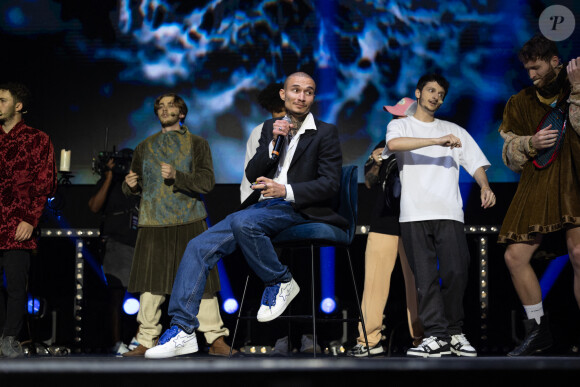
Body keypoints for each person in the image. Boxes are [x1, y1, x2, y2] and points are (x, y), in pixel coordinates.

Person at [145, 71, 345, 359]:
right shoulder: (269, 128)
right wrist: (273, 142)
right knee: (197, 246)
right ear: (283, 94)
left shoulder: (325, 132)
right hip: (264, 209)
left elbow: (330, 184)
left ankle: (279, 280)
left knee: (242, 221)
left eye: (309, 92)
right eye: (296, 90)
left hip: (299, 208)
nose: (301, 97)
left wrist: (284, 190)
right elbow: (253, 173)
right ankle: (183, 329)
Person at [384, 74, 496, 358]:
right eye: (431, 90)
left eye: (441, 93)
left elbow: (476, 161)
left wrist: (484, 186)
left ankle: (455, 333)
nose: (436, 96)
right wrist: (436, 140)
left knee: (456, 271)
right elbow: (394, 146)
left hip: (449, 212)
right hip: (414, 213)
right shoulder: (400, 125)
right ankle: (435, 335)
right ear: (418, 92)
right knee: (425, 278)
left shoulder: (453, 129)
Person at [121, 93, 234, 357]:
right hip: (153, 221)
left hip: (189, 219)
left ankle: (215, 339)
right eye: (160, 106)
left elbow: (207, 182)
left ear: (181, 113)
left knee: (200, 281)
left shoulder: (197, 144)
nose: (165, 109)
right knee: (152, 284)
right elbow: (134, 187)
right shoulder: (144, 147)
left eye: (171, 105)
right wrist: (129, 187)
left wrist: (177, 176)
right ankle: (146, 339)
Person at [497, 35, 580, 356]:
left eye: (537, 67)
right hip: (538, 185)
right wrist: (531, 143)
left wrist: (576, 90)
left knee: (577, 255)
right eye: (527, 69)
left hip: (573, 181)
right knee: (514, 257)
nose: (531, 75)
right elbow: (509, 156)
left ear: (555, 61)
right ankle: (537, 331)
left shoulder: (574, 85)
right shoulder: (520, 102)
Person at [347, 97, 423, 357]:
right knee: (374, 285)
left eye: (399, 116)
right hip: (384, 222)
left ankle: (422, 339)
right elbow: (369, 182)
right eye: (393, 116)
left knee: (420, 284)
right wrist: (378, 160)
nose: (394, 121)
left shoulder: (426, 144)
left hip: (416, 222)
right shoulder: (384, 145)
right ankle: (369, 341)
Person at [0, 82, 56, 358]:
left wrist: (30, 220)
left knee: (14, 285)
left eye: (2, 100)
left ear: (18, 105)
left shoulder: (37, 139)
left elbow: (44, 184)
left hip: (18, 224)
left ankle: (9, 338)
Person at [88, 151, 139, 354]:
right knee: (116, 294)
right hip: (116, 243)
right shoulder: (108, 181)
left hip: (140, 243)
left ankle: (139, 338)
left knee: (148, 295)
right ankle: (117, 342)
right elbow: (94, 207)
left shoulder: (140, 182)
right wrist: (109, 176)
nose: (124, 167)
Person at [241, 82, 286, 204]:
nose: (281, 119)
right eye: (278, 112)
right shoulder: (260, 131)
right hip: (265, 202)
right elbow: (249, 174)